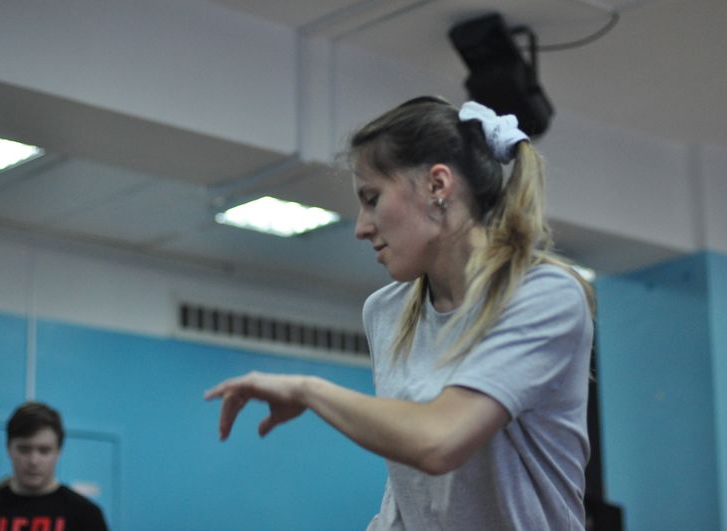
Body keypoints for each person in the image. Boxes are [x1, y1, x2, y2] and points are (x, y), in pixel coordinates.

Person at [205, 96, 595, 530]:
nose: (361, 227)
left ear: (437, 186)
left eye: (372, 198)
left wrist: (308, 390)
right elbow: (413, 491)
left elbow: (438, 441)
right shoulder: (386, 312)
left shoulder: (544, 296)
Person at [0, 402, 109, 531]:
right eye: (24, 449)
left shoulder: (85, 514)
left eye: (44, 451)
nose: (33, 461)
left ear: (59, 451)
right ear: (9, 448)